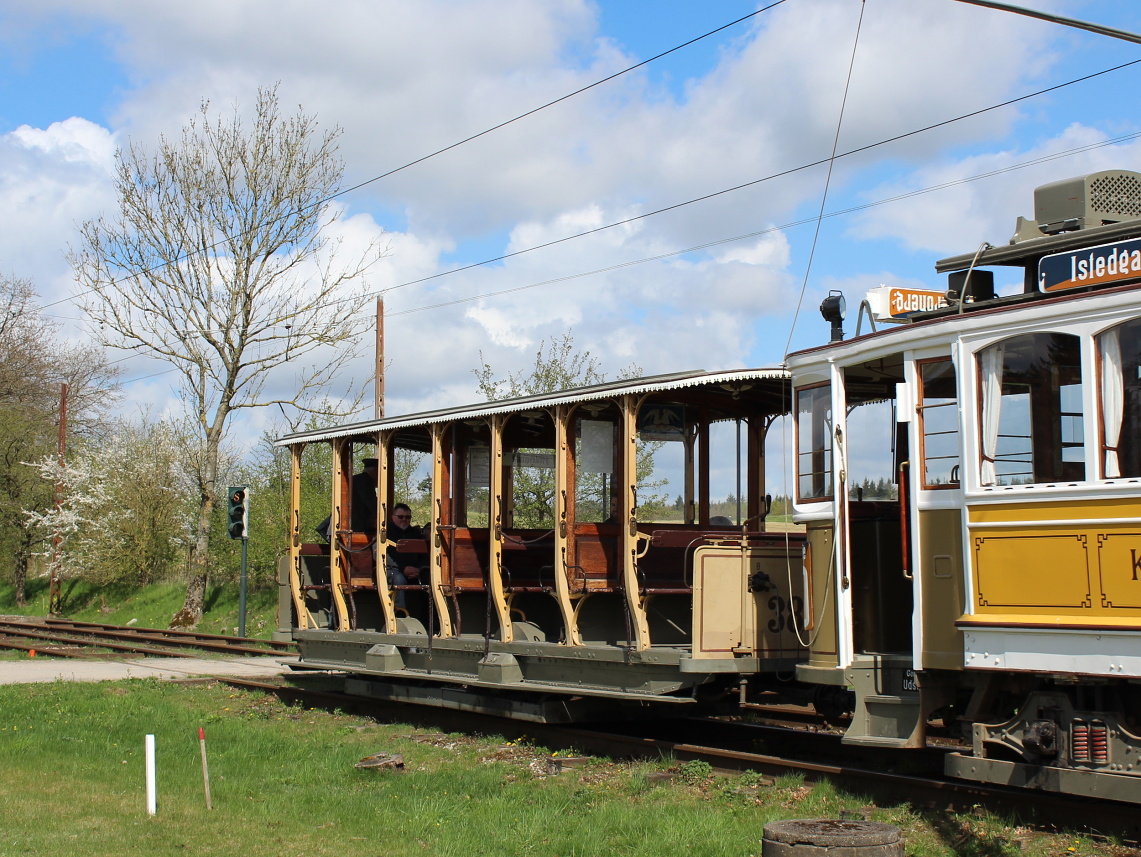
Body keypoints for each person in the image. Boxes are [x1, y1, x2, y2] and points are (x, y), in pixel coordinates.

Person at [385, 503, 424, 607]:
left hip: (414, 570)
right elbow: (383, 556)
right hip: (392, 569)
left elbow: (424, 555)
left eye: (407, 517)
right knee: (398, 579)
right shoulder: (385, 532)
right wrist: (402, 568)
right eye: (400, 517)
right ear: (392, 517)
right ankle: (400, 614)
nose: (404, 519)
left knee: (429, 578)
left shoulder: (415, 533)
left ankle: (427, 618)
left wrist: (418, 569)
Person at [350, 458, 380, 533]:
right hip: (358, 529)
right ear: (376, 471)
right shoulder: (366, 482)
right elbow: (371, 504)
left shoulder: (354, 479)